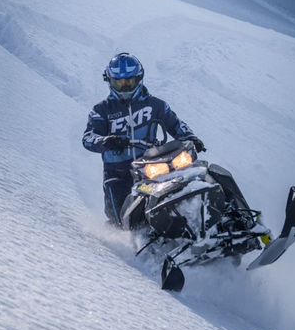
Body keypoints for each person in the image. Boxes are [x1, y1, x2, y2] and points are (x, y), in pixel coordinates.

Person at [82, 52, 205, 225]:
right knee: (120, 219)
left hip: (152, 165)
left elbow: (176, 125)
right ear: (110, 82)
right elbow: (88, 138)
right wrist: (106, 141)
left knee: (192, 176)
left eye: (129, 82)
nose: (125, 87)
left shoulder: (156, 105)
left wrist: (192, 138)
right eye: (119, 82)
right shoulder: (101, 110)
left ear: (139, 79)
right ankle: (126, 246)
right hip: (118, 172)